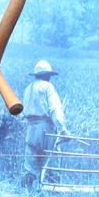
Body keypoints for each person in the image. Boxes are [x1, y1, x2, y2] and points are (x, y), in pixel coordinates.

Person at [21, 60, 69, 189]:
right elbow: (55, 109)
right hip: (46, 128)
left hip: (31, 128)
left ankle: (27, 193)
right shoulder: (48, 87)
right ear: (47, 75)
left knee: (30, 164)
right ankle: (53, 193)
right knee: (52, 159)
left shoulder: (28, 88)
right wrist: (63, 129)